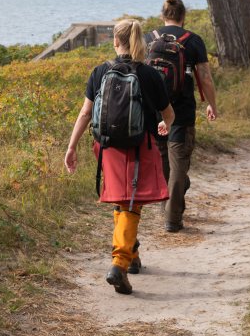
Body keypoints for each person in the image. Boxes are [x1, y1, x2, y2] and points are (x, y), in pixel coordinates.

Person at [64, 19, 174, 295]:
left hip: (108, 148)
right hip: (141, 146)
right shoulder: (150, 75)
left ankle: (132, 256)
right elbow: (168, 113)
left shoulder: (100, 71)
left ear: (115, 41)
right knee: (131, 203)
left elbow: (86, 113)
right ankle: (120, 263)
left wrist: (71, 146)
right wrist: (166, 125)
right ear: (140, 40)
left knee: (121, 200)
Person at [151, 0, 218, 233]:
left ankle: (169, 207)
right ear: (183, 17)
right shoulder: (193, 41)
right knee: (179, 169)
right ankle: (172, 218)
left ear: (163, 15)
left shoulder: (149, 39)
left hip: (155, 113)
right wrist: (212, 104)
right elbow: (206, 78)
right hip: (182, 113)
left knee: (164, 167)